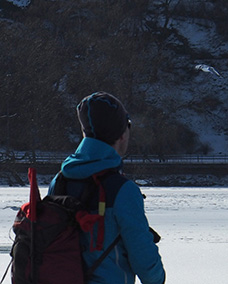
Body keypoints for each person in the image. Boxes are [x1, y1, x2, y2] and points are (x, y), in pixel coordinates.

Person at [48, 91, 165, 284]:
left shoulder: (59, 181)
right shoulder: (123, 190)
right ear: (122, 135)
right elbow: (147, 267)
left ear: (84, 133)